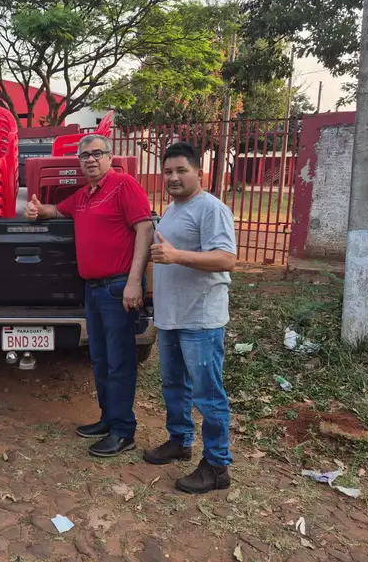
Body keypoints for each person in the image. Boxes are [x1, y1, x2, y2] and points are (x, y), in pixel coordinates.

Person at [25, 135, 154, 457]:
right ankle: (108, 419)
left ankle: (125, 431)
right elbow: (56, 210)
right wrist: (38, 210)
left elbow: (145, 229)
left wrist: (134, 282)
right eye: (85, 156)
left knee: (120, 361)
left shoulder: (124, 186)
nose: (91, 160)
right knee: (100, 359)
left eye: (97, 154)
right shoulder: (83, 196)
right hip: (92, 289)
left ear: (110, 157)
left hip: (117, 287)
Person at [143, 141, 237, 494]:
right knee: (173, 386)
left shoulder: (211, 209)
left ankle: (216, 466)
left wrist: (177, 255)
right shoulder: (171, 209)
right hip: (171, 316)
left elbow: (227, 259)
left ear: (200, 172)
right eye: (168, 171)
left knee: (208, 394)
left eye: (181, 170)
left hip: (201, 318)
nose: (173, 177)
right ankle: (180, 441)